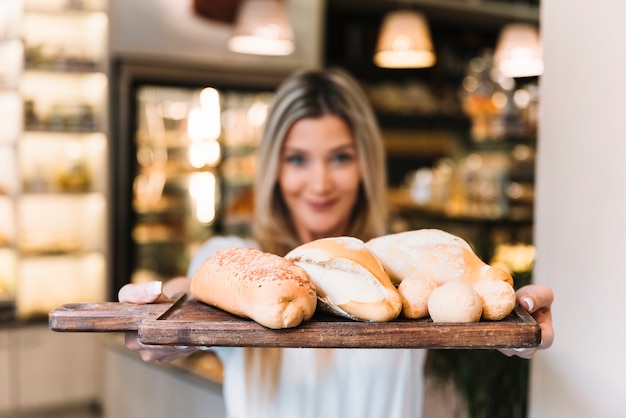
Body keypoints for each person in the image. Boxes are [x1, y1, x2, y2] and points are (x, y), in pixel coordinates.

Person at [119, 67, 554, 418]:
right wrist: (162, 315)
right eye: (297, 159)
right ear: (274, 168)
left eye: (341, 157)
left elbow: (476, 306)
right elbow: (189, 289)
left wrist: (515, 327)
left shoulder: (405, 273)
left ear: (365, 164)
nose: (320, 183)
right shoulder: (237, 264)